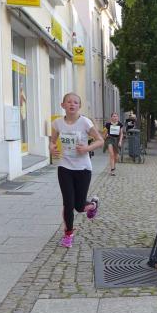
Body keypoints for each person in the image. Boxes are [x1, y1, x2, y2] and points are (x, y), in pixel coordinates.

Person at [50, 93, 103, 248]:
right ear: (63, 105)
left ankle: (93, 205)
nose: (72, 104)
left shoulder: (85, 122)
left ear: (79, 106)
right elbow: (52, 141)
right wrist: (52, 148)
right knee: (68, 203)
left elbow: (100, 140)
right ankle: (68, 234)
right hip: (64, 167)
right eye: (69, 102)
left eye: (75, 102)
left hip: (83, 168)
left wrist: (87, 148)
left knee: (79, 207)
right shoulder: (57, 123)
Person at [103, 112, 124, 176]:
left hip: (117, 140)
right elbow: (105, 133)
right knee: (111, 154)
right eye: (114, 116)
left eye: (116, 116)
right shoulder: (108, 124)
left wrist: (120, 141)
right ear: (111, 117)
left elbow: (121, 134)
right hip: (110, 139)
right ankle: (112, 170)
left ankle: (113, 166)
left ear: (118, 117)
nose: (115, 117)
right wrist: (104, 139)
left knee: (116, 157)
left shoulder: (120, 124)